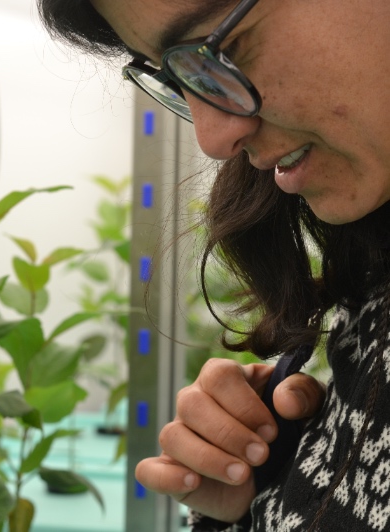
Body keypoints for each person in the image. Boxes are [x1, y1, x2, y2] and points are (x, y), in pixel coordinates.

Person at [37, 0, 390, 530]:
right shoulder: (369, 287)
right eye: (181, 82)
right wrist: (278, 489)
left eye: (223, 49)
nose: (213, 138)